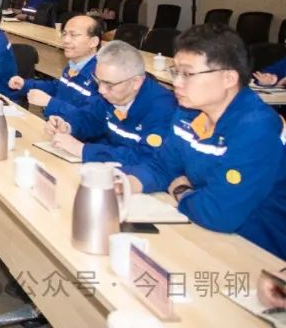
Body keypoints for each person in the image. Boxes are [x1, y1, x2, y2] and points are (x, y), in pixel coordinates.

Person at [122, 24, 286, 260]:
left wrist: (181, 190)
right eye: (176, 72)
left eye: (188, 74)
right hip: (205, 231)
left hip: (258, 250)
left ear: (229, 78)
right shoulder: (189, 111)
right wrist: (124, 185)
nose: (177, 83)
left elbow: (220, 212)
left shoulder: (256, 127)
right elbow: (163, 167)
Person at [43, 40, 177, 167]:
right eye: (98, 80)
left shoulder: (163, 109)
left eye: (109, 84)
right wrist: (67, 126)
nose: (101, 90)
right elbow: (91, 118)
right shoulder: (112, 95)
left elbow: (146, 157)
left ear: (136, 82)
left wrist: (84, 150)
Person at [13, 14, 102, 116]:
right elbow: (58, 87)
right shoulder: (74, 64)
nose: (66, 40)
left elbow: (89, 119)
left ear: (93, 42)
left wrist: (50, 103)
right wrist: (25, 84)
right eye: (64, 34)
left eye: (73, 35)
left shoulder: (101, 76)